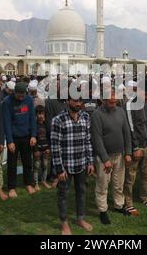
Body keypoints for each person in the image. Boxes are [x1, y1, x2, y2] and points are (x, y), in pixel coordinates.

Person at [50, 93, 94, 235]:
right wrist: (59, 169)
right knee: (63, 194)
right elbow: (55, 146)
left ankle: (80, 218)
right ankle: (64, 223)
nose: (78, 103)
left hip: (81, 163)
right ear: (68, 101)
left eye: (80, 101)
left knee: (81, 192)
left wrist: (90, 162)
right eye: (75, 101)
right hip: (65, 166)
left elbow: (88, 141)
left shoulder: (86, 117)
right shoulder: (58, 120)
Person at [91, 87, 132, 224]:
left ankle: (119, 205)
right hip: (104, 157)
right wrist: (104, 158)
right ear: (103, 100)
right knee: (103, 184)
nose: (114, 104)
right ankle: (103, 210)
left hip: (119, 155)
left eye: (115, 101)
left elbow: (126, 133)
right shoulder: (97, 115)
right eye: (110, 102)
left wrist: (128, 152)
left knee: (118, 183)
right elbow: (97, 138)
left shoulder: (120, 111)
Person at [123, 80, 147, 216]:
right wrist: (135, 148)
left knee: (146, 175)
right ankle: (128, 202)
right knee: (130, 177)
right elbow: (130, 128)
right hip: (135, 148)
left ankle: (144, 197)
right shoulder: (130, 105)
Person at [2, 82, 37, 197]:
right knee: (12, 163)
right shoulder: (7, 101)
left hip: (26, 136)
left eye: (23, 95)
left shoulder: (29, 100)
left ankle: (28, 183)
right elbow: (6, 122)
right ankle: (11, 187)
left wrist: (33, 135)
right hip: (14, 137)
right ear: (14, 92)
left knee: (27, 161)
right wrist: (10, 141)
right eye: (19, 95)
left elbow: (32, 118)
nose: (21, 98)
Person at [33, 105, 51, 190]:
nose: (41, 116)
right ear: (36, 115)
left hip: (45, 149)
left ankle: (43, 181)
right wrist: (35, 150)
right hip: (37, 150)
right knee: (36, 166)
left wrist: (48, 148)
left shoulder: (46, 124)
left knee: (45, 165)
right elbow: (33, 139)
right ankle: (36, 183)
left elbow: (49, 137)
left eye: (42, 114)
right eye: (39, 114)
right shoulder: (34, 125)